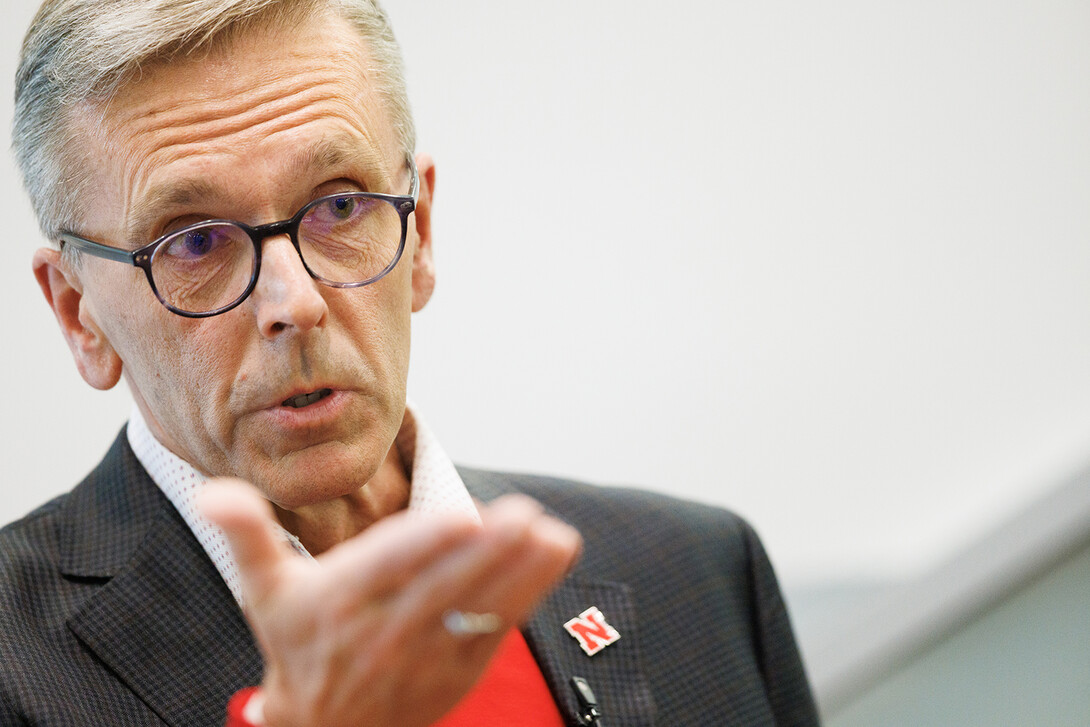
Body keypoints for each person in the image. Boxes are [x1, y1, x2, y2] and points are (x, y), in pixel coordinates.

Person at [0, 0, 819, 724]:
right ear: (80, 314)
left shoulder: (697, 571)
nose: (296, 301)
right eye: (196, 241)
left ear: (420, 233)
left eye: (340, 205)